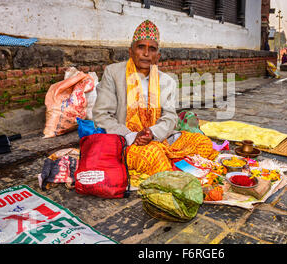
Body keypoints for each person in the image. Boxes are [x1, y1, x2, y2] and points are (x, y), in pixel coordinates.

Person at [92, 20, 218, 176]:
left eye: (151, 49)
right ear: (130, 51)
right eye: (140, 47)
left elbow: (170, 117)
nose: (146, 54)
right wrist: (132, 137)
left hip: (158, 137)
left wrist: (152, 133)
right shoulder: (113, 73)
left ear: (157, 56)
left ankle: (170, 161)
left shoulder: (167, 81)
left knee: (204, 143)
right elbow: (101, 115)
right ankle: (171, 166)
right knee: (154, 156)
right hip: (126, 140)